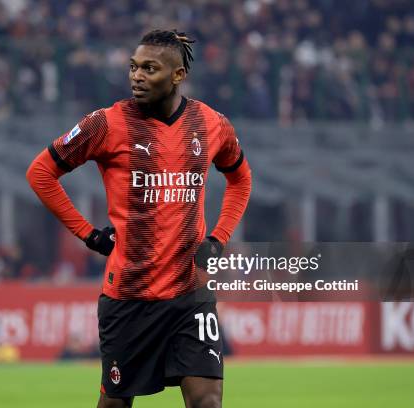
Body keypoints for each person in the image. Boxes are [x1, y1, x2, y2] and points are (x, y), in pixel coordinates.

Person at [27, 29, 251, 408]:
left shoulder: (211, 124)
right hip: (130, 298)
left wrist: (218, 239)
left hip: (190, 295)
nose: (137, 76)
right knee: (115, 405)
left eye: (150, 68)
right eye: (133, 67)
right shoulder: (105, 124)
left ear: (178, 75)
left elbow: (240, 179)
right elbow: (40, 172)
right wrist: (89, 235)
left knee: (208, 403)